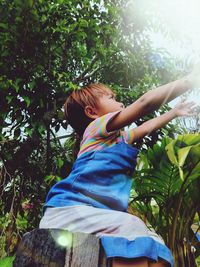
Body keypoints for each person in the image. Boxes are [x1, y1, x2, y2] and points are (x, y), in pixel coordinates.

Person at [39, 74, 198, 267]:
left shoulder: (118, 139)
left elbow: (146, 127)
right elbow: (145, 103)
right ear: (91, 112)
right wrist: (190, 80)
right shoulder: (95, 128)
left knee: (155, 242)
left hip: (93, 215)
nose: (120, 102)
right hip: (69, 211)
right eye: (112, 98)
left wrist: (173, 113)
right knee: (132, 228)